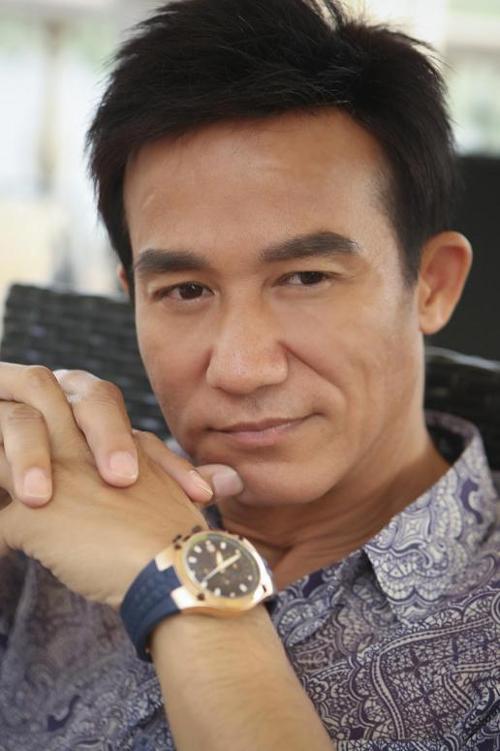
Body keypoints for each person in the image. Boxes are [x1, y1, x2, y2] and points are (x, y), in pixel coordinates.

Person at [0, 0, 498, 748]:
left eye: (305, 278)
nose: (241, 369)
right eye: (185, 291)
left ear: (431, 284)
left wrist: (189, 584)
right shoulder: (49, 506)